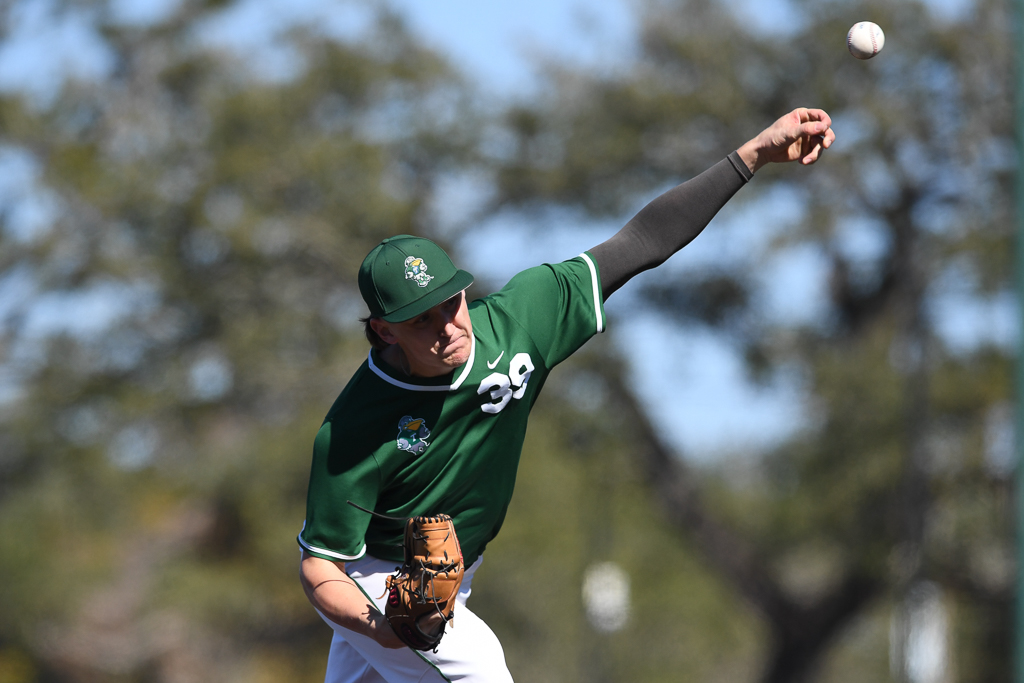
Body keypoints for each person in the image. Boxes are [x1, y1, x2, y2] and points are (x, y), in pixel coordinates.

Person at [297, 108, 836, 683]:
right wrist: (385, 627)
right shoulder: (354, 427)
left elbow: (642, 242)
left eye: (451, 303)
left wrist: (751, 153)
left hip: (453, 569)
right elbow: (320, 566)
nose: (448, 326)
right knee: (480, 673)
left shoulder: (522, 319)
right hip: (380, 580)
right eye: (421, 320)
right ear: (383, 330)